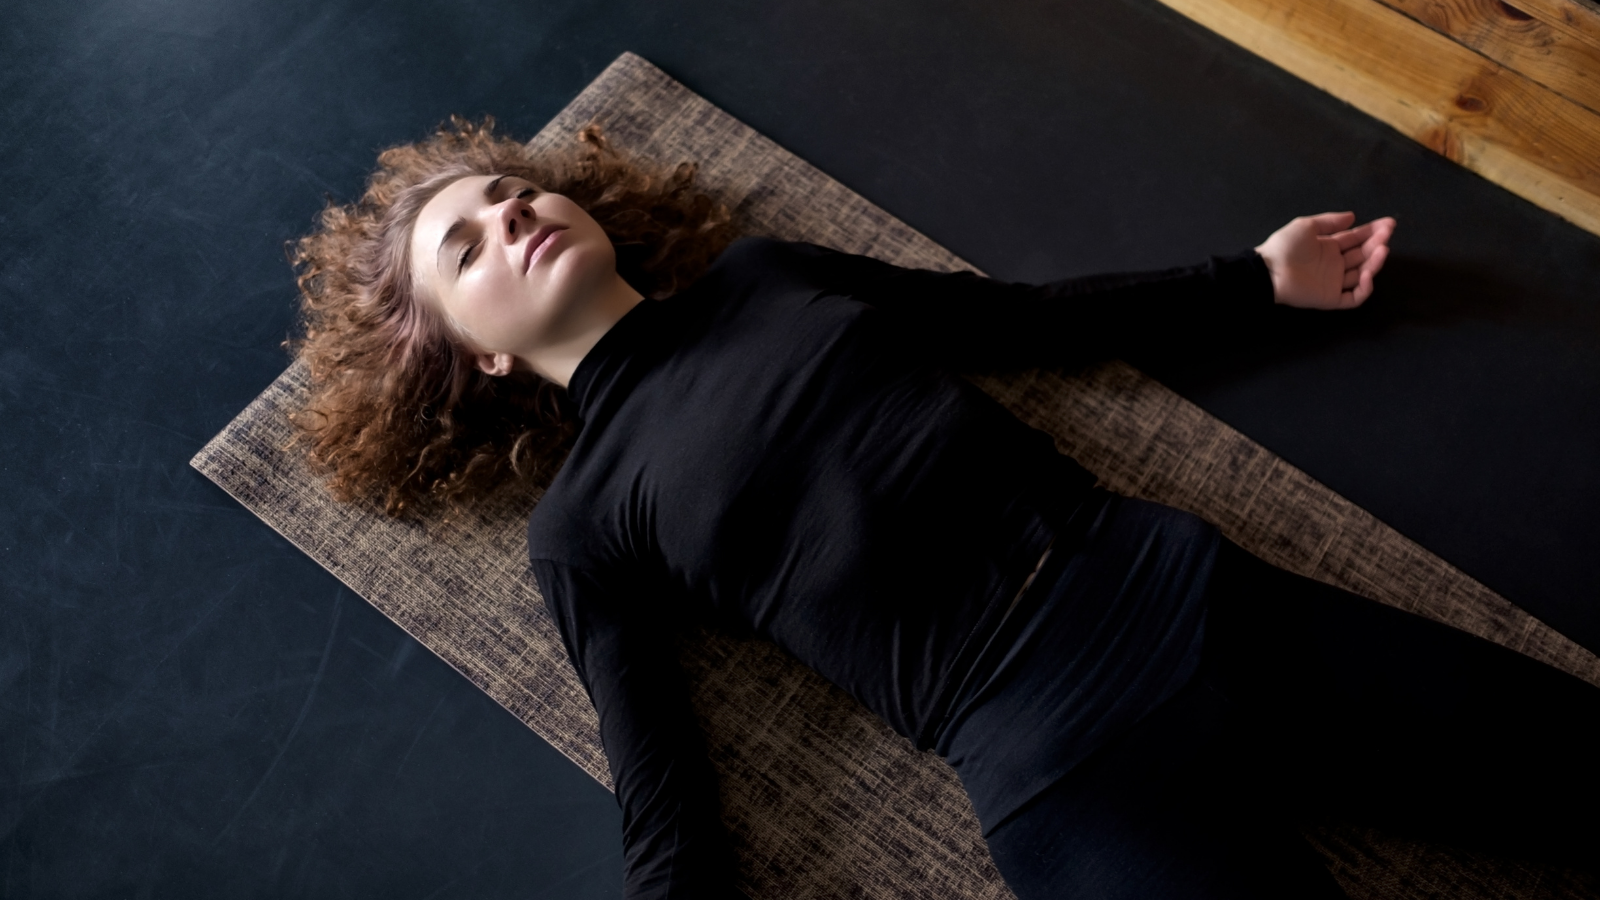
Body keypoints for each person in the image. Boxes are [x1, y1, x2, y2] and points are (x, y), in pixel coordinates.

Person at [289, 117, 1600, 900]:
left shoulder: (767, 277)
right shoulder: (579, 527)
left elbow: (1020, 322)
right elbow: (666, 784)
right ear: (471, 356)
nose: (510, 216)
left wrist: (1246, 283)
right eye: (464, 248)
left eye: (512, 191)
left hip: (1195, 602)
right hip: (1063, 777)